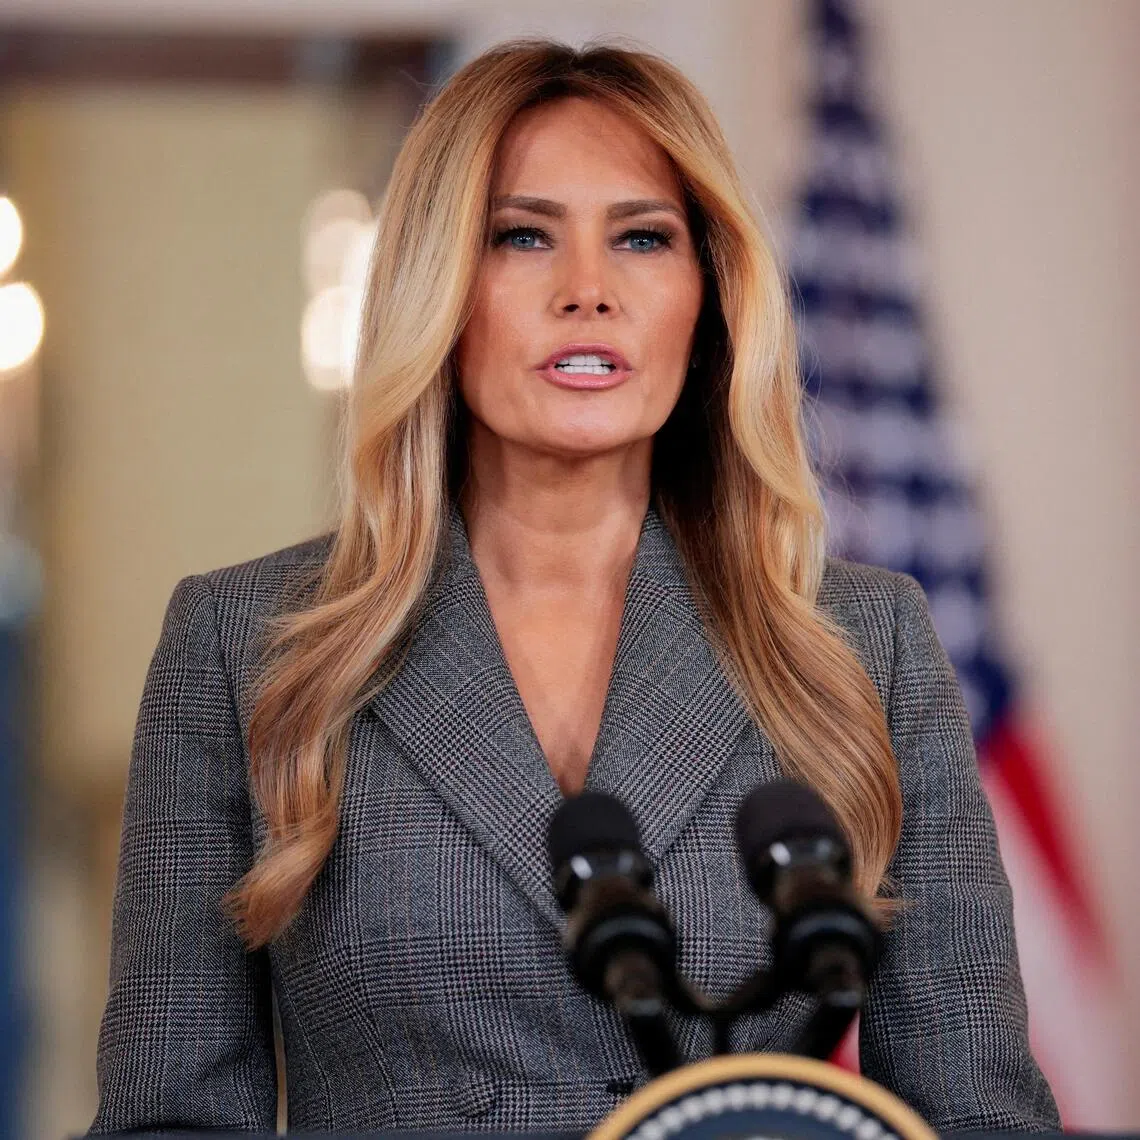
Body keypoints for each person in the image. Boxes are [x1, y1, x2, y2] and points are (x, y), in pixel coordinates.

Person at [90, 39, 1060, 1135]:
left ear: (709, 296)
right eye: (523, 236)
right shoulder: (244, 643)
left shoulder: (862, 643)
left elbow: (977, 1116)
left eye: (643, 238)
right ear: (438, 287)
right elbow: (169, 1117)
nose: (588, 292)